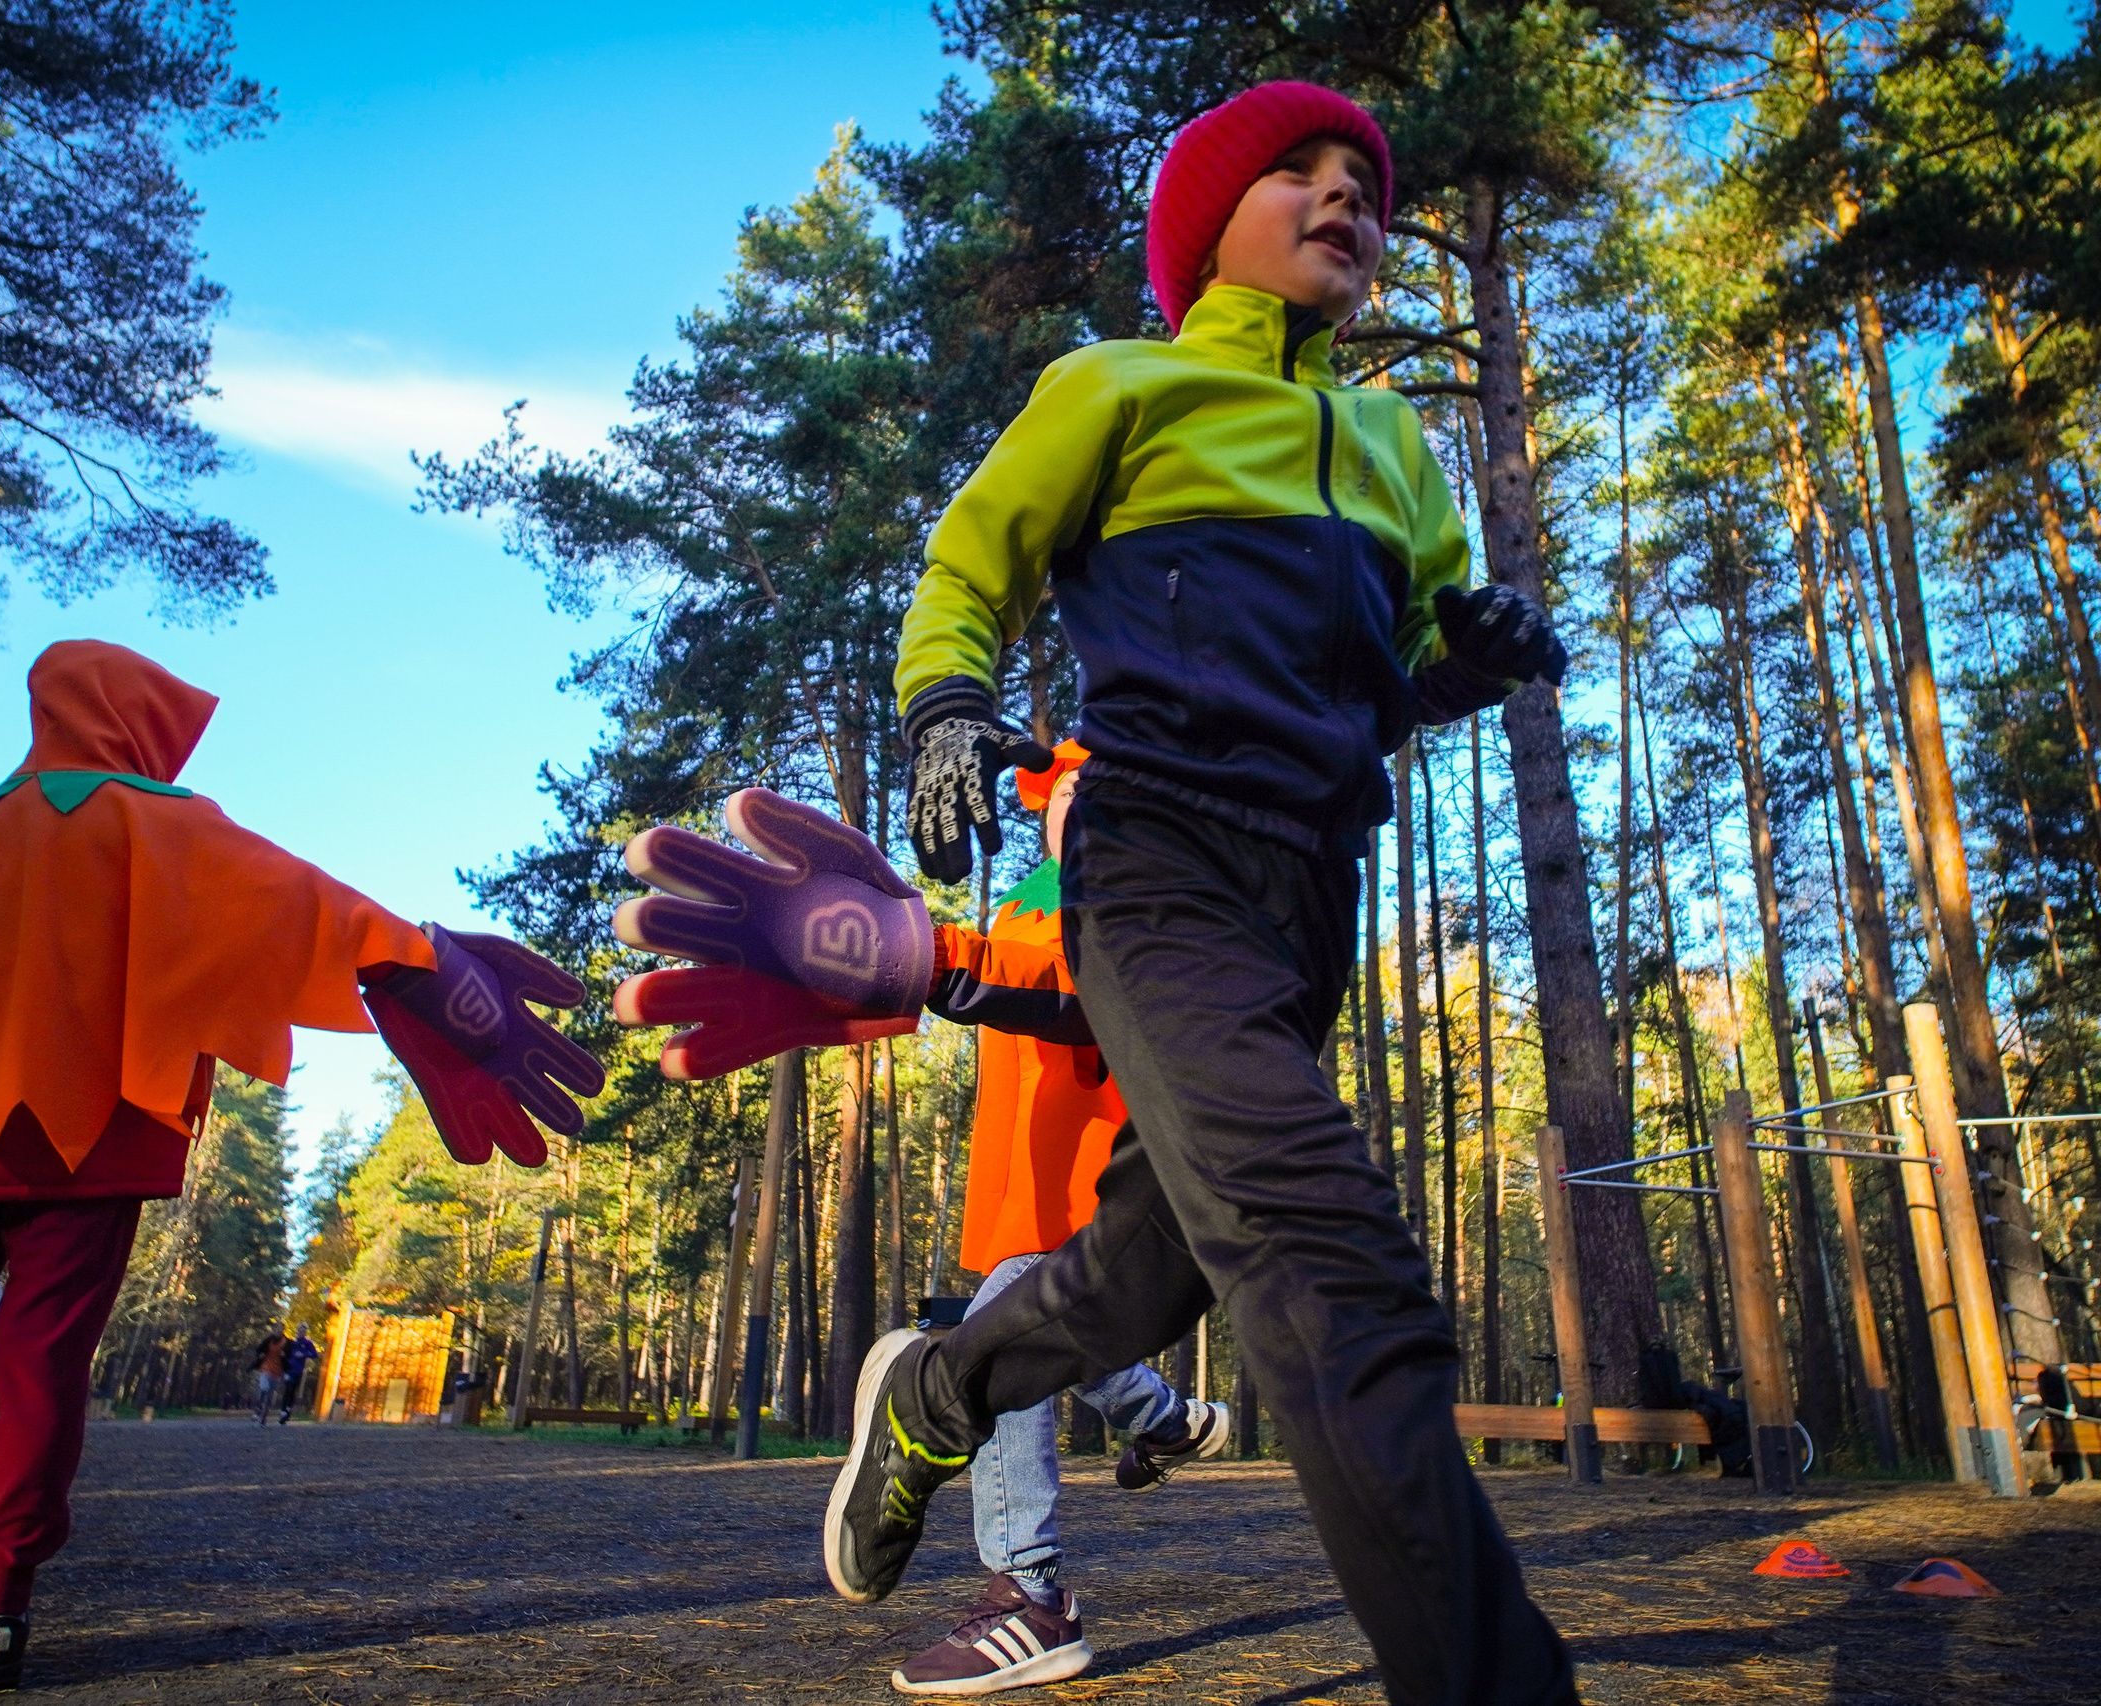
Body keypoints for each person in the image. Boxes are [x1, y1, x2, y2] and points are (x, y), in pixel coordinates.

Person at [615, 82, 1574, 1706]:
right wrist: (943, 709)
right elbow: (976, 553)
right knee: (1328, 1263)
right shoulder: (1117, 385)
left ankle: (940, 1390)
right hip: (1158, 855)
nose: (1349, 198)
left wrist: (1455, 668)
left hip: (1311, 896)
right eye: (1303, 173)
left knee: (1160, 1267)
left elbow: (1389, 676)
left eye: (1368, 185)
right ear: (1210, 219)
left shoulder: (1400, 446)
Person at [0, 640, 604, 1702]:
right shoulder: (160, 821)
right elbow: (306, 904)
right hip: (90, 1136)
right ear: (128, 718)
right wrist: (425, 961)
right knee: (39, 1365)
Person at [891, 741, 1228, 1697]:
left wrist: (931, 958)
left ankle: (1031, 1597)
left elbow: (1070, 994)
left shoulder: (1139, 892)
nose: (1084, 802)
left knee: (1002, 1338)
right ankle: (1164, 1423)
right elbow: (1006, 973)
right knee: (1044, 1330)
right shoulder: (1023, 902)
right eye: (1070, 788)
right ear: (1042, 809)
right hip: (1020, 1169)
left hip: (1103, 1166)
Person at [278, 1326, 321, 1423]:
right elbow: (285, 1353)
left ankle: (288, 1410)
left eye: (302, 1331)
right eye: (299, 1331)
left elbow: (315, 1355)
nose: (300, 1333)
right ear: (296, 1331)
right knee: (287, 1390)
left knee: (292, 1390)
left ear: (305, 1332)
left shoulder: (307, 1343)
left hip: (298, 1371)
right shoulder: (292, 1343)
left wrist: (304, 1354)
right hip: (288, 1369)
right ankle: (283, 1411)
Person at [248, 1329, 290, 1424]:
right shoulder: (269, 1340)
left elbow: (289, 1354)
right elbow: (259, 1349)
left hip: (277, 1370)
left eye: (280, 1330)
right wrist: (260, 1355)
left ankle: (264, 1416)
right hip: (266, 1367)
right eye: (277, 1329)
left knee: (270, 1393)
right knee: (263, 1388)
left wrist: (285, 1355)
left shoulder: (286, 1342)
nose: (278, 1332)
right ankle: (258, 1410)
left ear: (283, 1332)